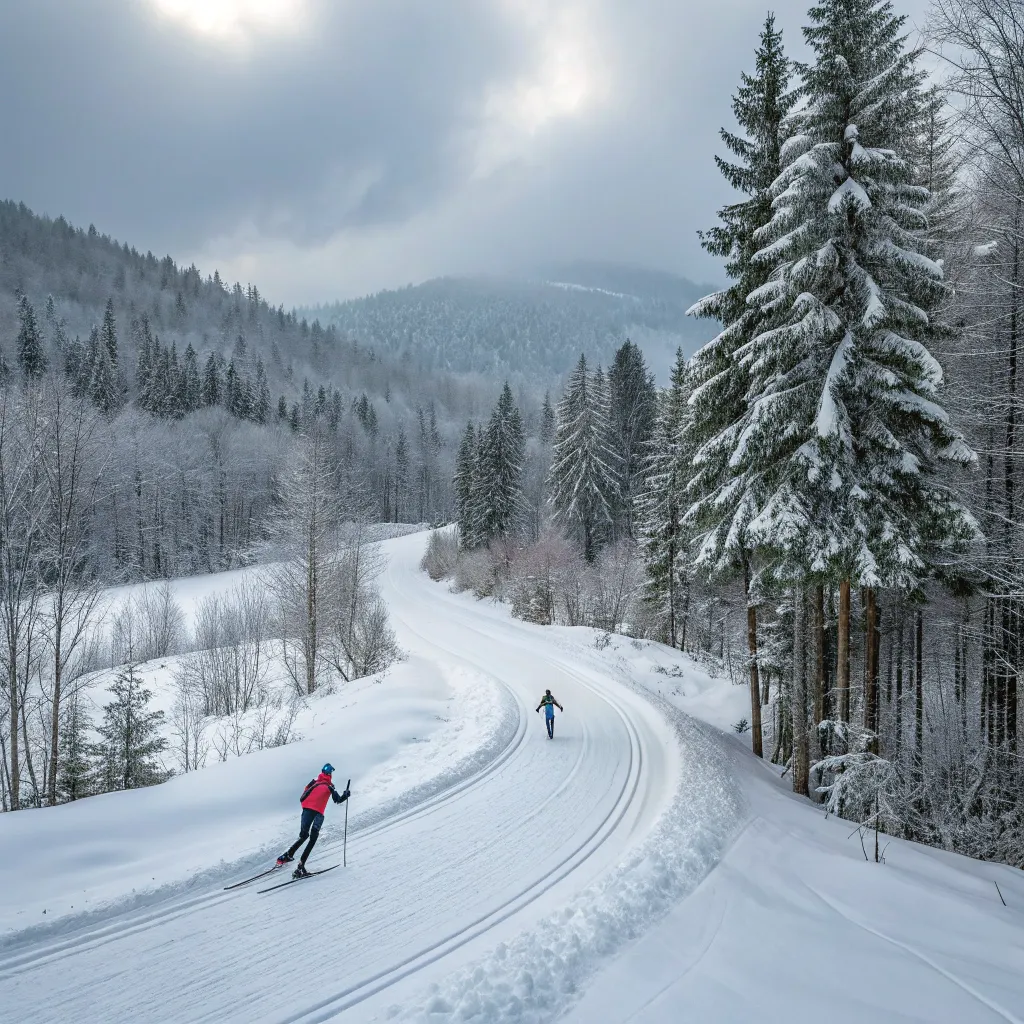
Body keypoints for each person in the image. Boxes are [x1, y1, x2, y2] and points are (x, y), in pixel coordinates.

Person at [277, 763, 350, 878]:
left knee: (304, 836)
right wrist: (346, 795)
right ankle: (300, 866)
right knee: (313, 837)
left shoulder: (314, 782)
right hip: (318, 814)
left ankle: (287, 856)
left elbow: (304, 793)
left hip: (306, 811)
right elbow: (338, 800)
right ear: (330, 774)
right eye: (330, 772)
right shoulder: (329, 786)